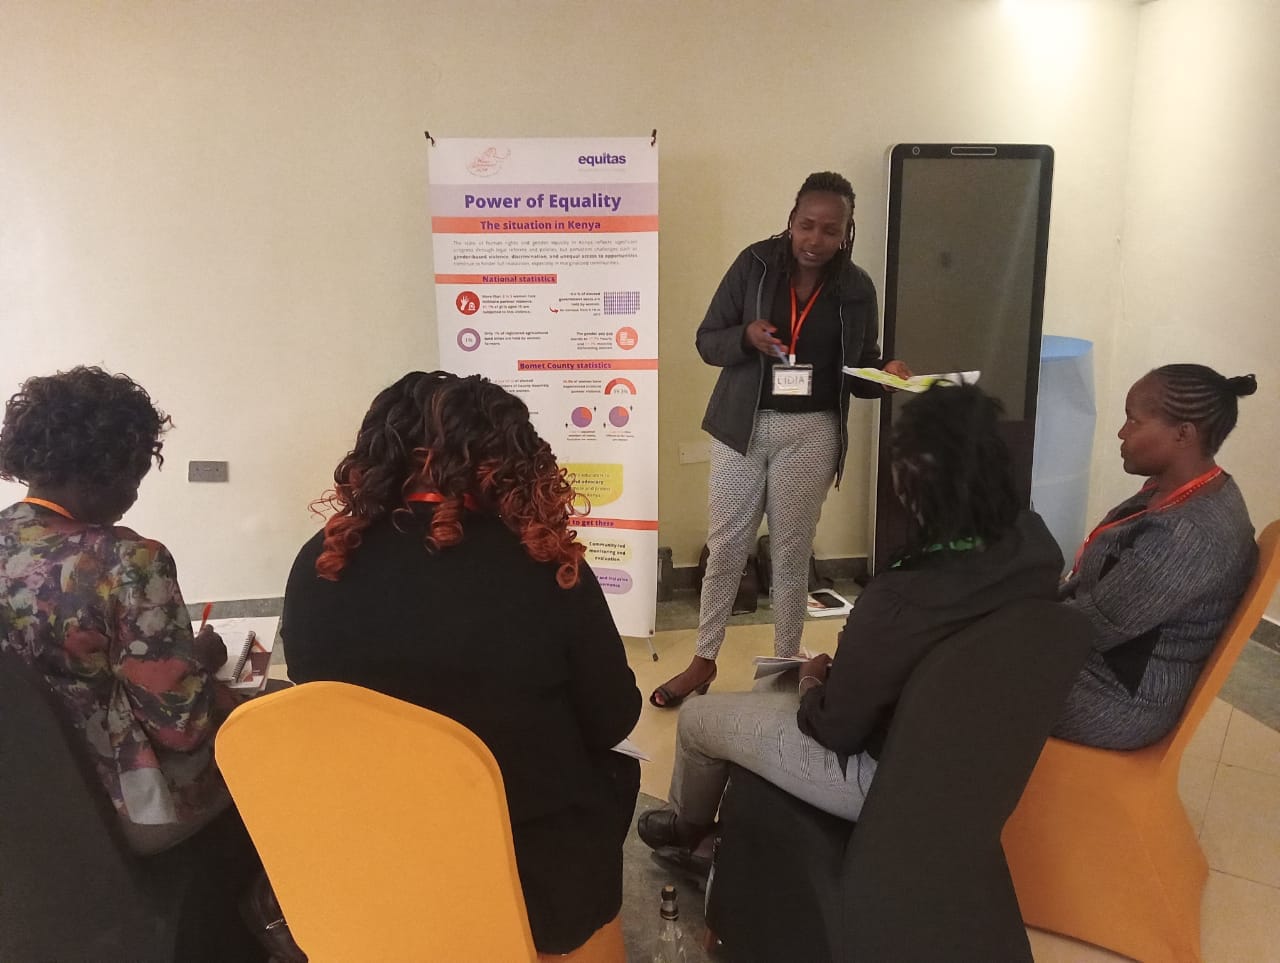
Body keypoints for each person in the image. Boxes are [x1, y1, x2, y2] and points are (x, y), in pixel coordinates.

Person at [281, 371, 642, 958]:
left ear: (379, 455)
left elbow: (315, 696)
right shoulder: (548, 569)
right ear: (512, 462)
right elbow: (613, 719)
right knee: (607, 774)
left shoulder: (320, 561)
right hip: (523, 870)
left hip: (367, 853)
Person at [639, 384, 1063, 862]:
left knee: (699, 720)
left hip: (886, 779)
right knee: (770, 688)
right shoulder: (1037, 545)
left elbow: (835, 730)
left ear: (911, 485)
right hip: (979, 762)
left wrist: (812, 681)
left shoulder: (897, 598)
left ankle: (688, 834)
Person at [0, 366, 271, 960]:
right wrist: (200, 659)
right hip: (120, 802)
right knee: (275, 745)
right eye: (140, 470)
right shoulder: (126, 559)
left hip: (24, 805)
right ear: (112, 466)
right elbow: (181, 727)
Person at [651, 171, 912, 708]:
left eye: (830, 230)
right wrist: (746, 336)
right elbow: (707, 340)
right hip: (742, 427)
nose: (815, 239)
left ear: (847, 232)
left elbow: (860, 367)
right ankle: (703, 659)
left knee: (792, 552)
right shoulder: (755, 264)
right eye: (806, 225)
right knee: (727, 545)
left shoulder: (856, 287)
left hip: (812, 431)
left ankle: (784, 665)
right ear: (791, 220)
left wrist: (886, 374)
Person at [1053, 364, 1258, 750]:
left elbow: (1093, 629)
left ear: (1183, 434)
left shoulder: (1189, 535)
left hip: (1115, 698)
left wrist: (1015, 613)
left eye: (1133, 420)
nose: (1121, 432)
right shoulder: (1180, 490)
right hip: (1100, 663)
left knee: (960, 668)